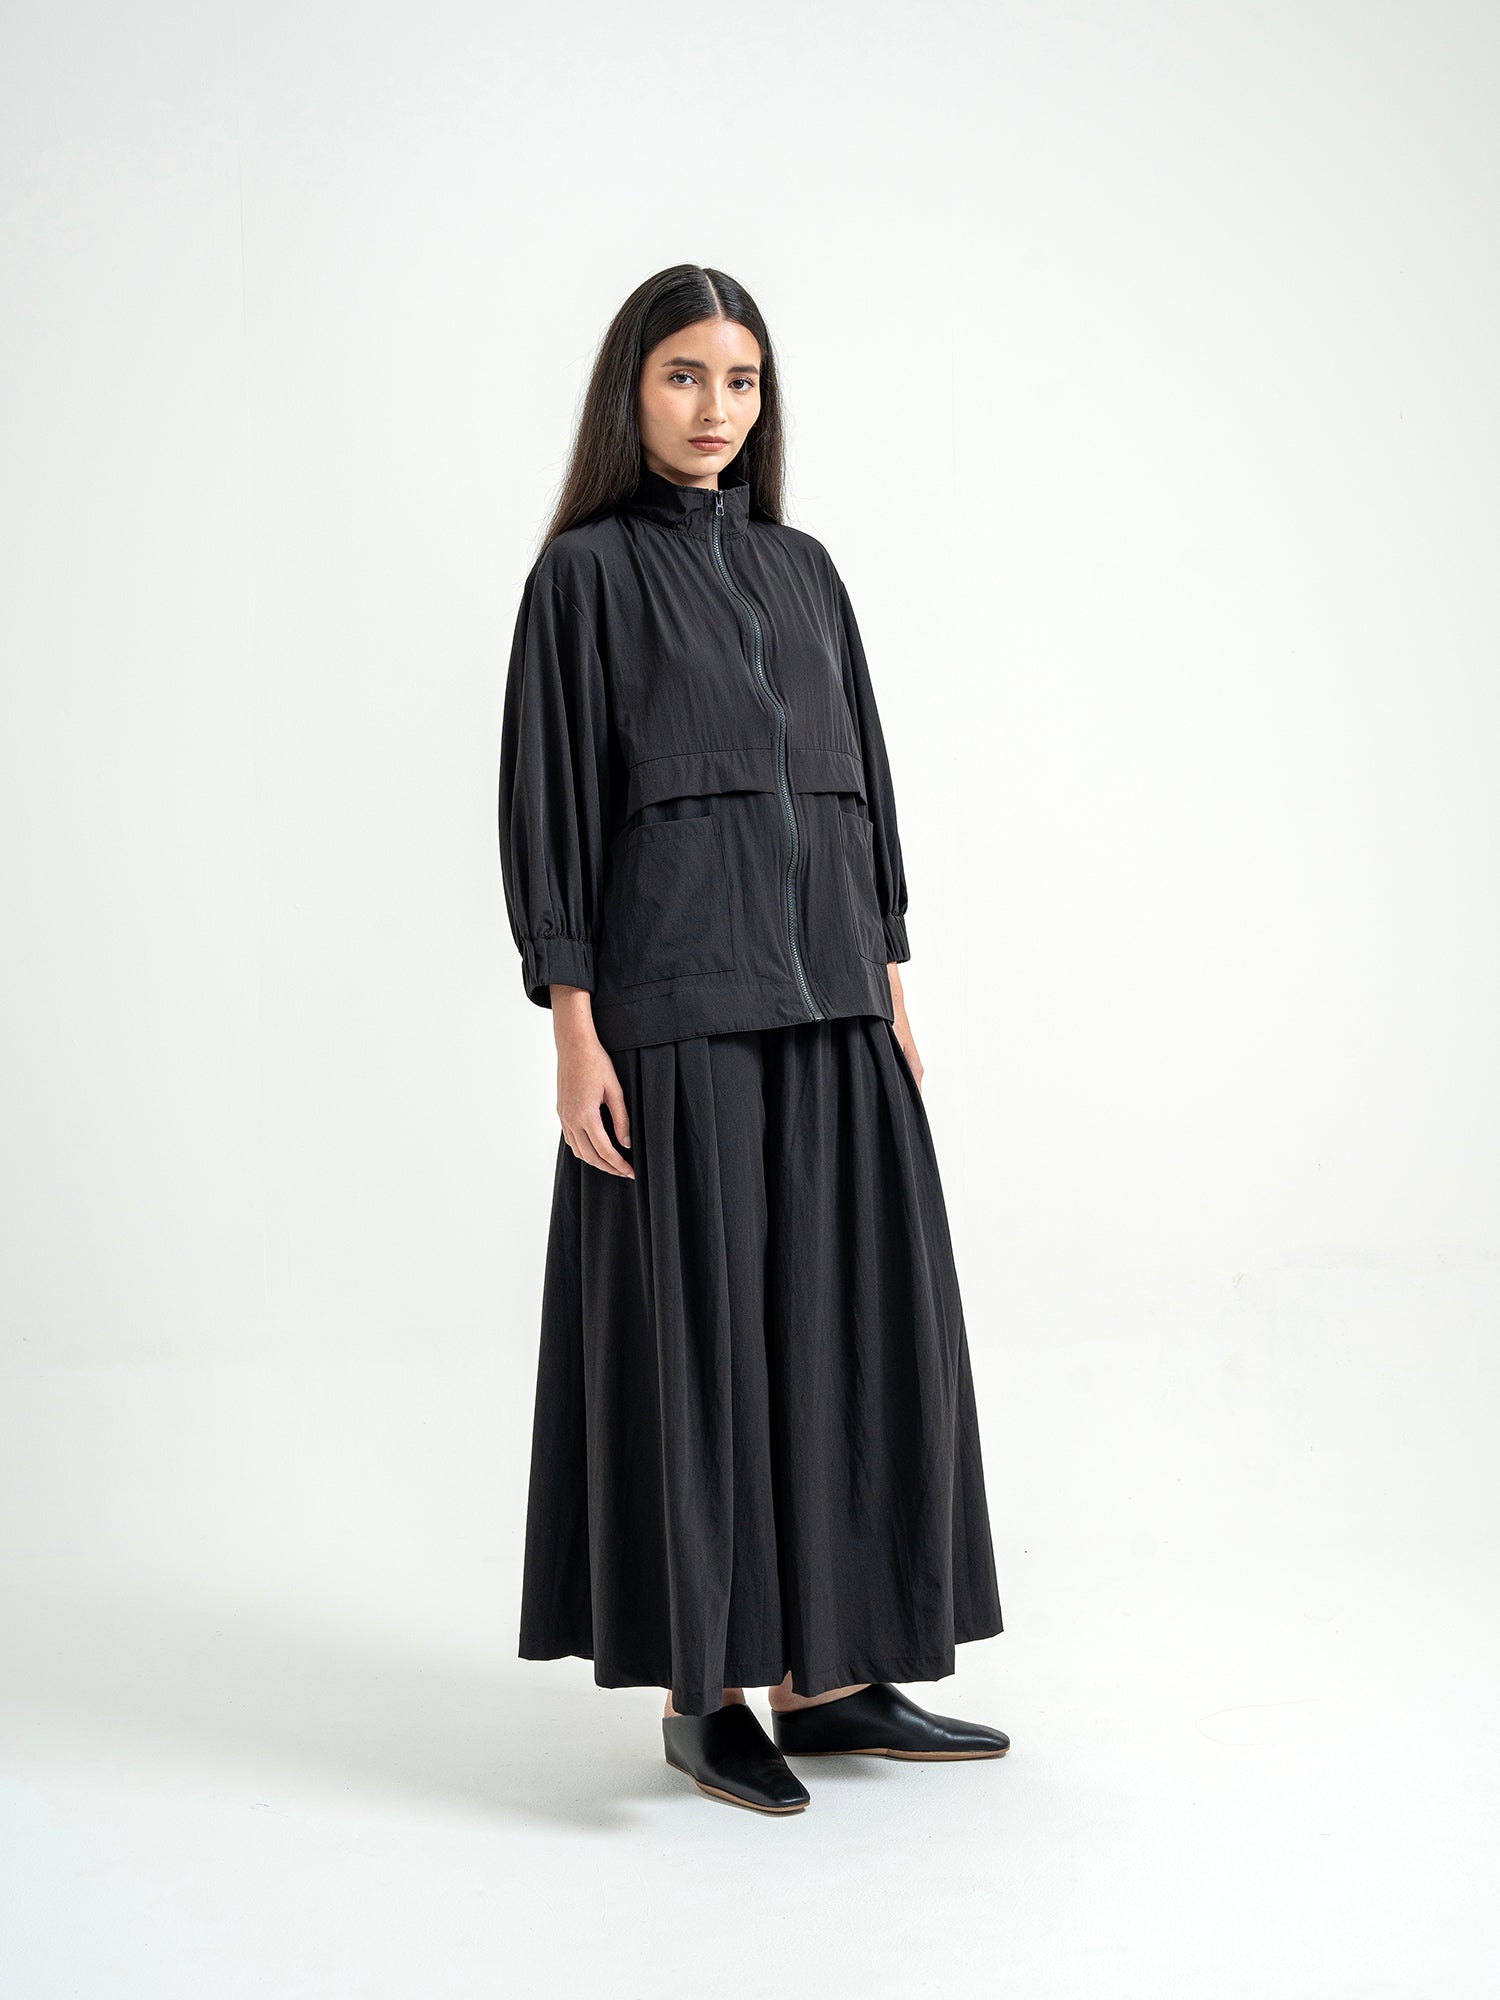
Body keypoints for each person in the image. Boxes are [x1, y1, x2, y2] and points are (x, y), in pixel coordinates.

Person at [498, 263, 1008, 1815]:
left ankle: (832, 1681)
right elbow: (553, 812)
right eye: (684, 377)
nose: (715, 409)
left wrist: (889, 963)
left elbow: (863, 773)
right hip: (675, 1012)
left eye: (741, 381)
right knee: (701, 1353)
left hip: (836, 1003)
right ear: (629, 392)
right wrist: (574, 1028)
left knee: (846, 1334)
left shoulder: (806, 571)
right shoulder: (583, 580)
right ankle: (706, 1693)